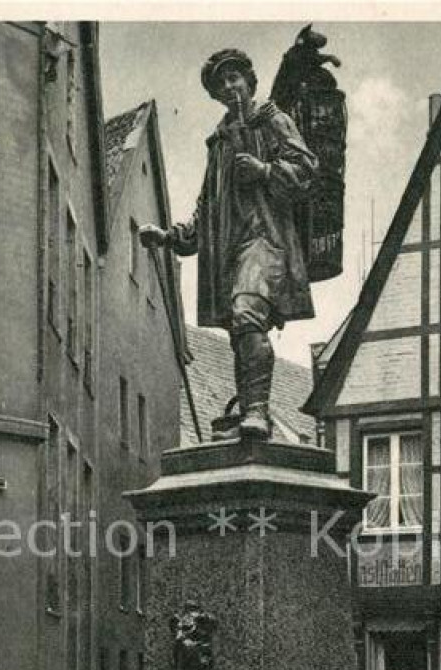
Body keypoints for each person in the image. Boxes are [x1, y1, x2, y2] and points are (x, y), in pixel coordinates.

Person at [140, 47, 318, 438]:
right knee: (241, 332)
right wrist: (170, 238)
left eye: (234, 77)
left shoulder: (273, 121)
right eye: (221, 83)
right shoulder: (219, 144)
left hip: (266, 241)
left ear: (249, 82)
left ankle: (255, 411)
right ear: (216, 95)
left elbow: (307, 170)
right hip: (230, 251)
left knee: (247, 312)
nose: (229, 86)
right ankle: (249, 420)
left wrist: (266, 170)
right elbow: (207, 209)